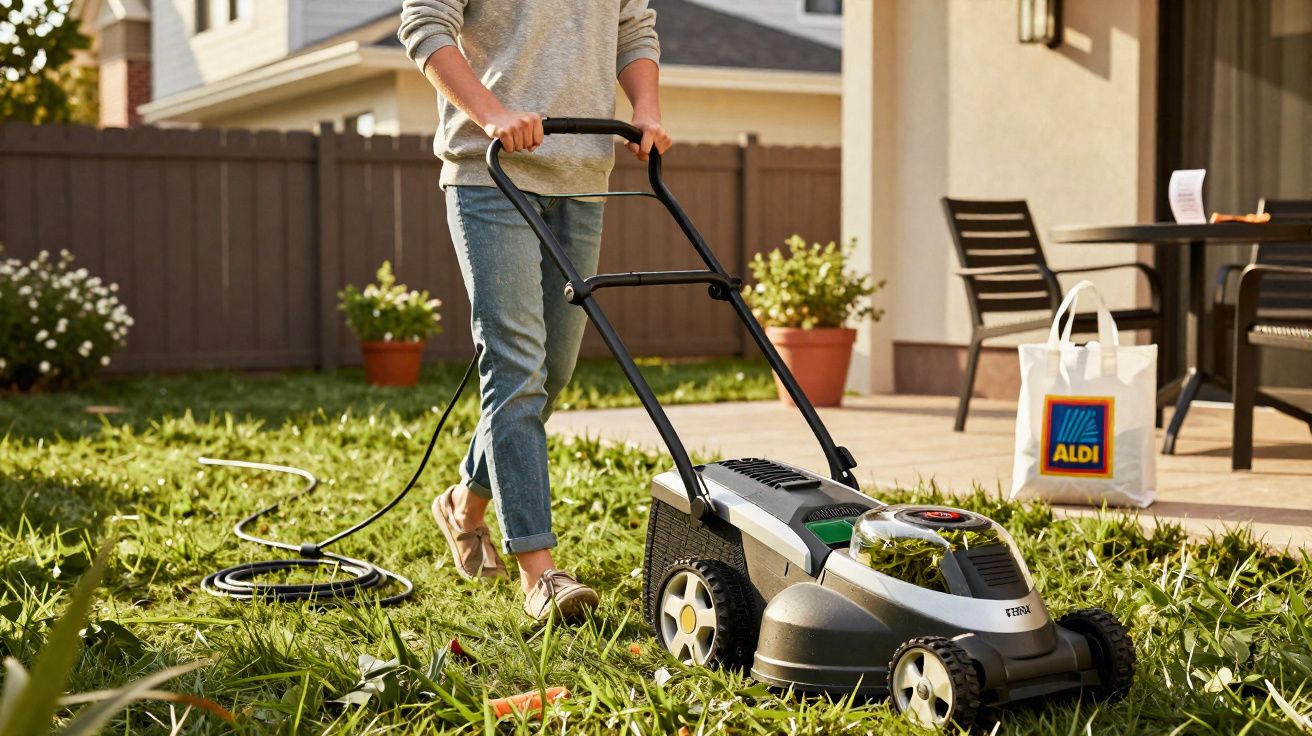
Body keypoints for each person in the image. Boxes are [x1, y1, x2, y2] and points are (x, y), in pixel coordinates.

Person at [398, 0, 672, 621]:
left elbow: (633, 28)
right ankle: (539, 571)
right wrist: (492, 113)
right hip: (491, 172)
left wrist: (646, 109)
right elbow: (425, 23)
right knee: (517, 366)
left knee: (554, 370)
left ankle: (465, 504)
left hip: (583, 173)